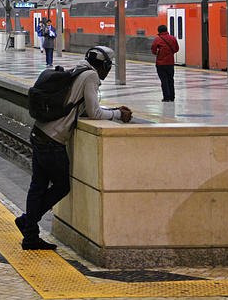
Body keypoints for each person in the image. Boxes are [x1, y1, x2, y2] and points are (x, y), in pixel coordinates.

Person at [15, 46, 132, 250]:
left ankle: (30, 235)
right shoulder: (90, 77)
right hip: (53, 140)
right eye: (108, 66)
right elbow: (95, 113)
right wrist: (117, 114)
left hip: (39, 132)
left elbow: (82, 109)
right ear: (103, 65)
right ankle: (28, 222)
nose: (108, 71)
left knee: (38, 186)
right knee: (62, 187)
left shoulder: (78, 70)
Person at [151, 24, 180, 102]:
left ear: (159, 31)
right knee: (171, 80)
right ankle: (172, 97)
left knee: (164, 81)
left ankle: (166, 97)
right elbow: (176, 49)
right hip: (170, 63)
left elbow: (153, 50)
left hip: (161, 63)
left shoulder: (158, 39)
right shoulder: (173, 38)